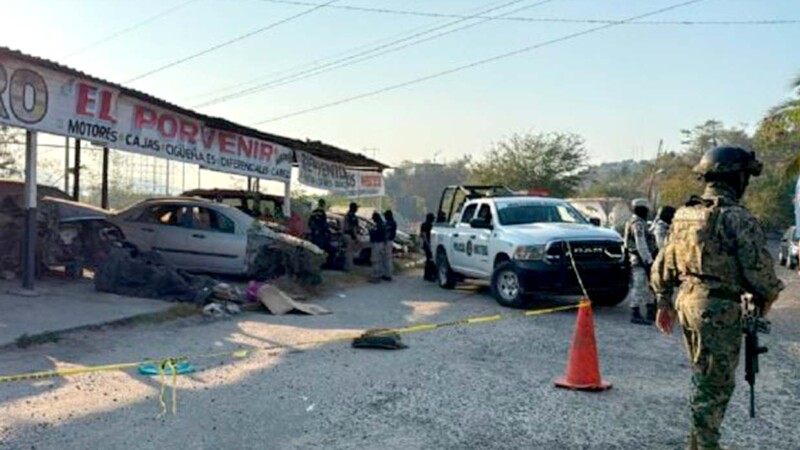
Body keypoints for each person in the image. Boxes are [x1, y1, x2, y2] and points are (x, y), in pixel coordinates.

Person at [651, 146, 783, 450]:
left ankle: (696, 444)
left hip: (688, 302)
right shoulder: (737, 217)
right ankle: (707, 445)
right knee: (715, 385)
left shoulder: (684, 215)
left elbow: (664, 263)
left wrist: (663, 300)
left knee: (704, 377)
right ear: (737, 178)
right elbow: (758, 270)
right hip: (717, 307)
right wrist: (768, 295)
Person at [624, 198, 656, 324]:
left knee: (647, 286)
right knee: (639, 286)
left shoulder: (636, 222)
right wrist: (648, 261)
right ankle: (635, 313)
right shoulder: (638, 224)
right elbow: (641, 244)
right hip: (639, 260)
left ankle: (650, 310)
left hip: (640, 259)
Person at [369, 212, 387, 283]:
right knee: (380, 260)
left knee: (375, 260)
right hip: (382, 244)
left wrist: (370, 231)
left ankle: (376, 277)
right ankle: (380, 275)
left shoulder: (378, 225)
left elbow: (374, 234)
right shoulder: (383, 224)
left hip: (377, 244)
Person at [343, 202, 359, 272]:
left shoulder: (347, 215)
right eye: (356, 207)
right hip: (350, 235)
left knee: (348, 252)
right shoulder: (352, 216)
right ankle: (349, 267)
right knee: (350, 252)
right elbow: (353, 228)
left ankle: (347, 266)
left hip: (346, 234)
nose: (357, 209)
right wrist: (356, 237)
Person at [420, 213, 436, 281]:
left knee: (429, 259)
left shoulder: (424, 225)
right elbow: (424, 235)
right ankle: (428, 275)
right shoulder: (428, 225)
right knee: (430, 260)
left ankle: (428, 274)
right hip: (428, 244)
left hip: (428, 244)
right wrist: (428, 244)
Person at [383, 210, 397, 281]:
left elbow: (388, 233)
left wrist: (385, 241)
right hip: (390, 241)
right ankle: (387, 274)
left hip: (388, 241)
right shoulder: (393, 222)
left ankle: (388, 275)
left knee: (387, 259)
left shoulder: (390, 223)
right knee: (387, 258)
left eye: (385, 215)